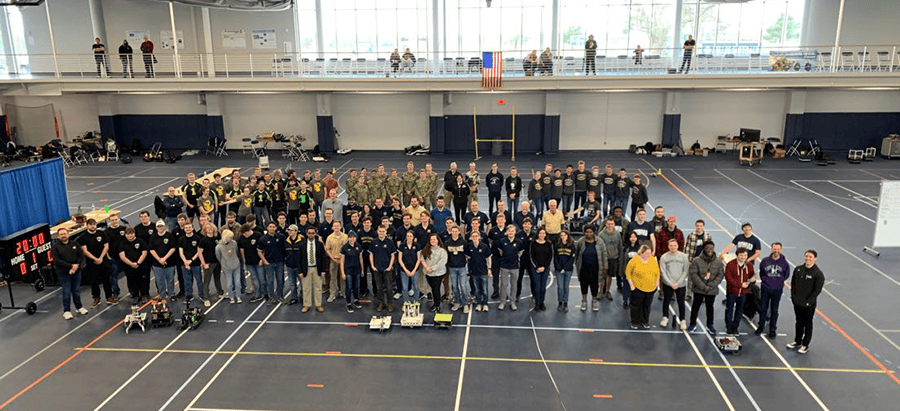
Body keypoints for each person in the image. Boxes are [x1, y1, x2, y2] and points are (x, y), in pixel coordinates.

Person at [787, 250, 824, 354]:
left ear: (815, 259)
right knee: (798, 322)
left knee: (807, 324)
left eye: (810, 257)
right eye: (806, 256)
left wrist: (808, 302)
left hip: (809, 305)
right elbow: (793, 284)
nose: (808, 258)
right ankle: (797, 341)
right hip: (797, 302)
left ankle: (805, 344)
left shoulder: (818, 273)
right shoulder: (798, 269)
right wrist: (794, 298)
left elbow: (817, 290)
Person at [687, 241, 725, 334]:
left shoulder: (718, 262)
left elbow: (720, 276)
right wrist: (703, 286)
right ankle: (692, 324)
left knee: (710, 307)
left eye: (711, 248)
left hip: (711, 290)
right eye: (708, 248)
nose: (710, 250)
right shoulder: (696, 260)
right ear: (704, 248)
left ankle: (710, 325)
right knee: (695, 306)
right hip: (699, 289)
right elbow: (693, 274)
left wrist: (710, 286)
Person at [52, 228, 88, 319]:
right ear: (58, 236)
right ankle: (67, 311)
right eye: (61, 234)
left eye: (65, 234)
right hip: (64, 273)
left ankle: (79, 307)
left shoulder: (75, 244)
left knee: (76, 291)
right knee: (67, 291)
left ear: (68, 234)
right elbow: (57, 261)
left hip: (76, 272)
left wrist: (76, 266)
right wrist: (70, 266)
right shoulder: (55, 247)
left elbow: (80, 256)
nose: (63, 236)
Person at [757, 243, 791, 338]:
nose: (776, 251)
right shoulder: (765, 261)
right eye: (774, 249)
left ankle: (772, 328)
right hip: (766, 288)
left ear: (781, 250)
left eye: (778, 249)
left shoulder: (784, 263)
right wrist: (767, 281)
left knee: (774, 310)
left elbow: (786, 274)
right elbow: (762, 273)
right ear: (771, 249)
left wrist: (778, 281)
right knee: (763, 308)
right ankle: (761, 325)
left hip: (777, 289)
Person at [80, 219, 116, 308]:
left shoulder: (102, 233)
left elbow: (106, 246)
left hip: (103, 261)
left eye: (94, 224)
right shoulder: (83, 237)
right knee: (94, 281)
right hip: (91, 263)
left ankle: (109, 297)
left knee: (106, 279)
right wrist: (95, 259)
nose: (93, 226)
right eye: (91, 225)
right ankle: (96, 298)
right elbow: (85, 250)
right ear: (87, 226)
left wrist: (101, 258)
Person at [625, 245, 660, 329]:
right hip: (638, 288)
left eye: (650, 253)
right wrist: (632, 286)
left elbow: (657, 271)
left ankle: (645, 321)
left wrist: (657, 282)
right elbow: (628, 273)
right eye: (647, 253)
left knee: (647, 305)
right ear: (641, 252)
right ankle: (635, 322)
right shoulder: (634, 260)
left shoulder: (652, 260)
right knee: (636, 306)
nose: (649, 255)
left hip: (651, 288)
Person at [724, 248, 756, 335]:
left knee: (740, 310)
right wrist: (740, 284)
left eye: (745, 255)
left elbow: (751, 276)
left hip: (743, 293)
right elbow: (729, 278)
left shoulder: (749, 266)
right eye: (741, 255)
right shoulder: (730, 265)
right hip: (732, 291)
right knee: (729, 308)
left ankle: (735, 326)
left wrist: (752, 280)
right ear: (737, 255)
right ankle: (729, 326)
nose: (743, 257)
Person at [659, 239, 690, 330]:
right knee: (666, 301)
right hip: (668, 284)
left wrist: (678, 282)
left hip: (680, 284)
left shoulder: (684, 256)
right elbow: (663, 272)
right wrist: (670, 283)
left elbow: (686, 271)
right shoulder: (664, 257)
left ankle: (682, 320)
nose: (673, 247)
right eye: (671, 246)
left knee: (681, 302)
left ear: (678, 246)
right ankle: (665, 317)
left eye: (674, 245)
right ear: (668, 246)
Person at [575, 226, 607, 312]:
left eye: (590, 232)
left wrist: (605, 267)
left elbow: (604, 255)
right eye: (587, 232)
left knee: (594, 285)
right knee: (584, 285)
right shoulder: (581, 241)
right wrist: (577, 265)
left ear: (593, 232)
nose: (589, 234)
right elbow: (577, 254)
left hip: (595, 268)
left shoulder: (600, 242)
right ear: (584, 232)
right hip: (584, 268)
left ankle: (594, 300)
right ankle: (584, 301)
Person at [493, 224, 524, 311]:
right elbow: (501, 252)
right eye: (509, 231)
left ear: (515, 232)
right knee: (503, 284)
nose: (511, 232)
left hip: (515, 267)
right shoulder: (502, 241)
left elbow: (520, 253)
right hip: (504, 266)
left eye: (512, 231)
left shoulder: (519, 242)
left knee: (514, 285)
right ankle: (502, 302)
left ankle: (512, 302)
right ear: (506, 232)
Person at [118, 227, 149, 303]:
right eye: (128, 234)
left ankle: (144, 295)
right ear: (125, 235)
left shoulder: (140, 241)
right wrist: (131, 264)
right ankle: (135, 296)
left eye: (131, 234)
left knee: (143, 281)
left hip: (141, 266)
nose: (130, 236)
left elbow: (144, 252)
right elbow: (122, 256)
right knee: (132, 281)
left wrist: (138, 263)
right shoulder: (123, 243)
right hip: (129, 267)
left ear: (134, 234)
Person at [300, 226, 327, 313]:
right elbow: (299, 259)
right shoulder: (302, 245)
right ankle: (306, 305)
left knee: (318, 288)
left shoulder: (319, 245)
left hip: (317, 269)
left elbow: (323, 258)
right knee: (306, 288)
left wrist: (323, 271)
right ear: (307, 233)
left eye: (313, 233)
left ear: (315, 234)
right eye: (309, 233)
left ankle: (318, 305)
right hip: (306, 269)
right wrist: (300, 271)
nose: (311, 235)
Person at [258, 222, 286, 304]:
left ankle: (280, 296)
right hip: (269, 263)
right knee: (270, 281)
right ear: (267, 228)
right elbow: (259, 251)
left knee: (280, 280)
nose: (272, 228)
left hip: (280, 262)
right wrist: (264, 261)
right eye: (270, 227)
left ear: (276, 228)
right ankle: (271, 297)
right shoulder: (263, 239)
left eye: (273, 227)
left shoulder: (281, 237)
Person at [370, 225, 397, 312]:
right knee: (379, 288)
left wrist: (390, 266)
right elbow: (371, 254)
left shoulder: (390, 242)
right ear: (377, 231)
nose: (381, 233)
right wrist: (372, 266)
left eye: (383, 231)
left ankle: (390, 303)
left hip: (387, 269)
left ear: (386, 232)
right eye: (380, 231)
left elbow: (393, 255)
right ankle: (381, 303)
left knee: (389, 287)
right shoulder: (374, 242)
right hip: (377, 269)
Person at [149, 220, 177, 300]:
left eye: (161, 226)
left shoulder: (170, 236)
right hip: (157, 264)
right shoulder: (153, 237)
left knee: (170, 280)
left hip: (170, 262)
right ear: (156, 227)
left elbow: (173, 248)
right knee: (159, 281)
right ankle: (162, 295)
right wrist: (159, 259)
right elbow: (151, 249)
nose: (160, 228)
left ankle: (171, 294)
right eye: (158, 226)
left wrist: (164, 258)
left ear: (164, 226)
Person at [421, 234, 448, 313]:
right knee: (433, 289)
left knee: (436, 289)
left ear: (438, 241)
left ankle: (437, 305)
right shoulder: (426, 249)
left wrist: (432, 269)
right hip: (428, 273)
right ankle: (435, 303)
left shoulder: (442, 251)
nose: (432, 241)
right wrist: (426, 267)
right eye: (431, 240)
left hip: (438, 274)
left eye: (434, 239)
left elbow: (442, 262)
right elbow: (422, 259)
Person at [466, 230, 492, 312]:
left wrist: (489, 268)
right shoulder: (469, 247)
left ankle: (485, 304)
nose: (474, 238)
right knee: (477, 290)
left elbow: (489, 258)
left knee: (484, 289)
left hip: (483, 271)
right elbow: (467, 256)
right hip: (474, 272)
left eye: (476, 236)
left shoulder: (484, 246)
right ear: (470, 238)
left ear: (479, 237)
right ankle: (478, 304)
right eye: (473, 236)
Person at [198, 224, 224, 306]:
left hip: (217, 262)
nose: (210, 229)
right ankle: (206, 298)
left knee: (217, 279)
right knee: (207, 281)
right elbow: (200, 253)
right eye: (207, 228)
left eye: (211, 227)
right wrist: (203, 263)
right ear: (205, 230)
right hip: (208, 263)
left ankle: (220, 292)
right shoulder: (203, 240)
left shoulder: (217, 239)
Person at [238, 224, 265, 303]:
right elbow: (242, 250)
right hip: (249, 262)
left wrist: (262, 259)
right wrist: (244, 260)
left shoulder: (258, 235)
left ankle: (265, 293)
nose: (244, 235)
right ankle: (257, 294)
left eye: (245, 233)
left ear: (249, 231)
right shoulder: (241, 239)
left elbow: (263, 248)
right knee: (254, 278)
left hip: (258, 261)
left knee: (262, 278)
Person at [179, 223, 204, 303]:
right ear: (184, 229)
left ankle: (201, 295)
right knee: (187, 281)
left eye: (189, 227)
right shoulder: (181, 239)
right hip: (185, 264)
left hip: (195, 263)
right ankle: (189, 295)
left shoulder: (197, 238)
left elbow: (199, 251)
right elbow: (181, 252)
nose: (188, 229)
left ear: (193, 228)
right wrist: (185, 261)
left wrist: (191, 260)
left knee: (199, 280)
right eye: (186, 227)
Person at [444, 225, 467, 310]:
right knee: (454, 286)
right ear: (451, 232)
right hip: (452, 267)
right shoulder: (447, 243)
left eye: (456, 231)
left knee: (463, 286)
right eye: (453, 231)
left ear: (459, 232)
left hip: (462, 267)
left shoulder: (463, 242)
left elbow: (467, 253)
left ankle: (465, 304)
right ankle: (457, 302)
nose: (454, 233)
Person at [596, 219, 621, 301]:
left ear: (614, 224)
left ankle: (607, 291)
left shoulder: (617, 234)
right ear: (606, 224)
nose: (610, 225)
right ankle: (600, 292)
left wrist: (619, 256)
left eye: (612, 224)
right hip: (604, 258)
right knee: (603, 275)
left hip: (613, 257)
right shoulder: (601, 234)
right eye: (608, 224)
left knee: (609, 275)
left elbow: (619, 245)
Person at [530, 228, 553, 311]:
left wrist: (544, 267)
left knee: (543, 287)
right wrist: (537, 267)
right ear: (538, 234)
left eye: (543, 233)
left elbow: (550, 257)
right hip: (535, 268)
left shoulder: (549, 244)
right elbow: (531, 256)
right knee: (537, 287)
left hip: (545, 269)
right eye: (540, 233)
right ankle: (537, 303)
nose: (542, 235)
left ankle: (542, 303)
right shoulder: (533, 243)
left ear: (545, 234)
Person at [340, 231, 364, 313]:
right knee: (349, 287)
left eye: (353, 237)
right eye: (350, 237)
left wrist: (362, 269)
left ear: (355, 238)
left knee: (356, 286)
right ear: (348, 238)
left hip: (357, 269)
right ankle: (349, 303)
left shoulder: (358, 247)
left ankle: (356, 300)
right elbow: (342, 261)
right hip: (348, 270)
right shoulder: (344, 248)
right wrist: (342, 272)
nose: (352, 239)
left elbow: (361, 259)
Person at [216, 229, 242, 304]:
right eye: (229, 237)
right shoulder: (218, 247)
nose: (231, 239)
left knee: (237, 282)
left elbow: (236, 252)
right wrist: (224, 264)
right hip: (227, 267)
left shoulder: (234, 243)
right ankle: (231, 297)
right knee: (229, 283)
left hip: (236, 265)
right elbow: (218, 256)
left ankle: (238, 296)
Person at [324, 221, 347, 303]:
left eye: (338, 226)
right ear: (332, 228)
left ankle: (343, 292)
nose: (336, 227)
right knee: (332, 278)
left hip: (343, 261)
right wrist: (333, 258)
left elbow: (347, 249)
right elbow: (327, 249)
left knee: (343, 277)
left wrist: (342, 259)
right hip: (333, 260)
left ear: (340, 227)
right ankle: (332, 294)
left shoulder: (345, 237)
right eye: (335, 226)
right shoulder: (329, 238)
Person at [551, 230, 575, 312]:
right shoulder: (557, 245)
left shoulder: (572, 246)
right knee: (560, 287)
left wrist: (565, 268)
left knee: (566, 287)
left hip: (568, 270)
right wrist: (559, 267)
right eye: (561, 235)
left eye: (564, 235)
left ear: (568, 236)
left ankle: (565, 303)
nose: (563, 237)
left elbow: (572, 259)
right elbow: (555, 258)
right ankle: (560, 303)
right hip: (559, 270)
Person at [397, 230, 421, 303]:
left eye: (411, 236)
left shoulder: (417, 246)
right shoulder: (402, 246)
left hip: (415, 270)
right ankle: (406, 302)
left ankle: (416, 301)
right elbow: (400, 259)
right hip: (404, 270)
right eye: (408, 236)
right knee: (404, 288)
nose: (409, 237)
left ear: (413, 237)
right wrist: (406, 270)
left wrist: (414, 270)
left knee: (416, 287)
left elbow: (418, 259)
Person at [620, 231, 641, 309]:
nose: (633, 239)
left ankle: (633, 300)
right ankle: (625, 301)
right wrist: (622, 271)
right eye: (631, 237)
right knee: (626, 287)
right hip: (627, 271)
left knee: (635, 287)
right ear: (628, 238)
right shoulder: (625, 248)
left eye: (634, 237)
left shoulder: (640, 248)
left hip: (636, 272)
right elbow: (622, 260)